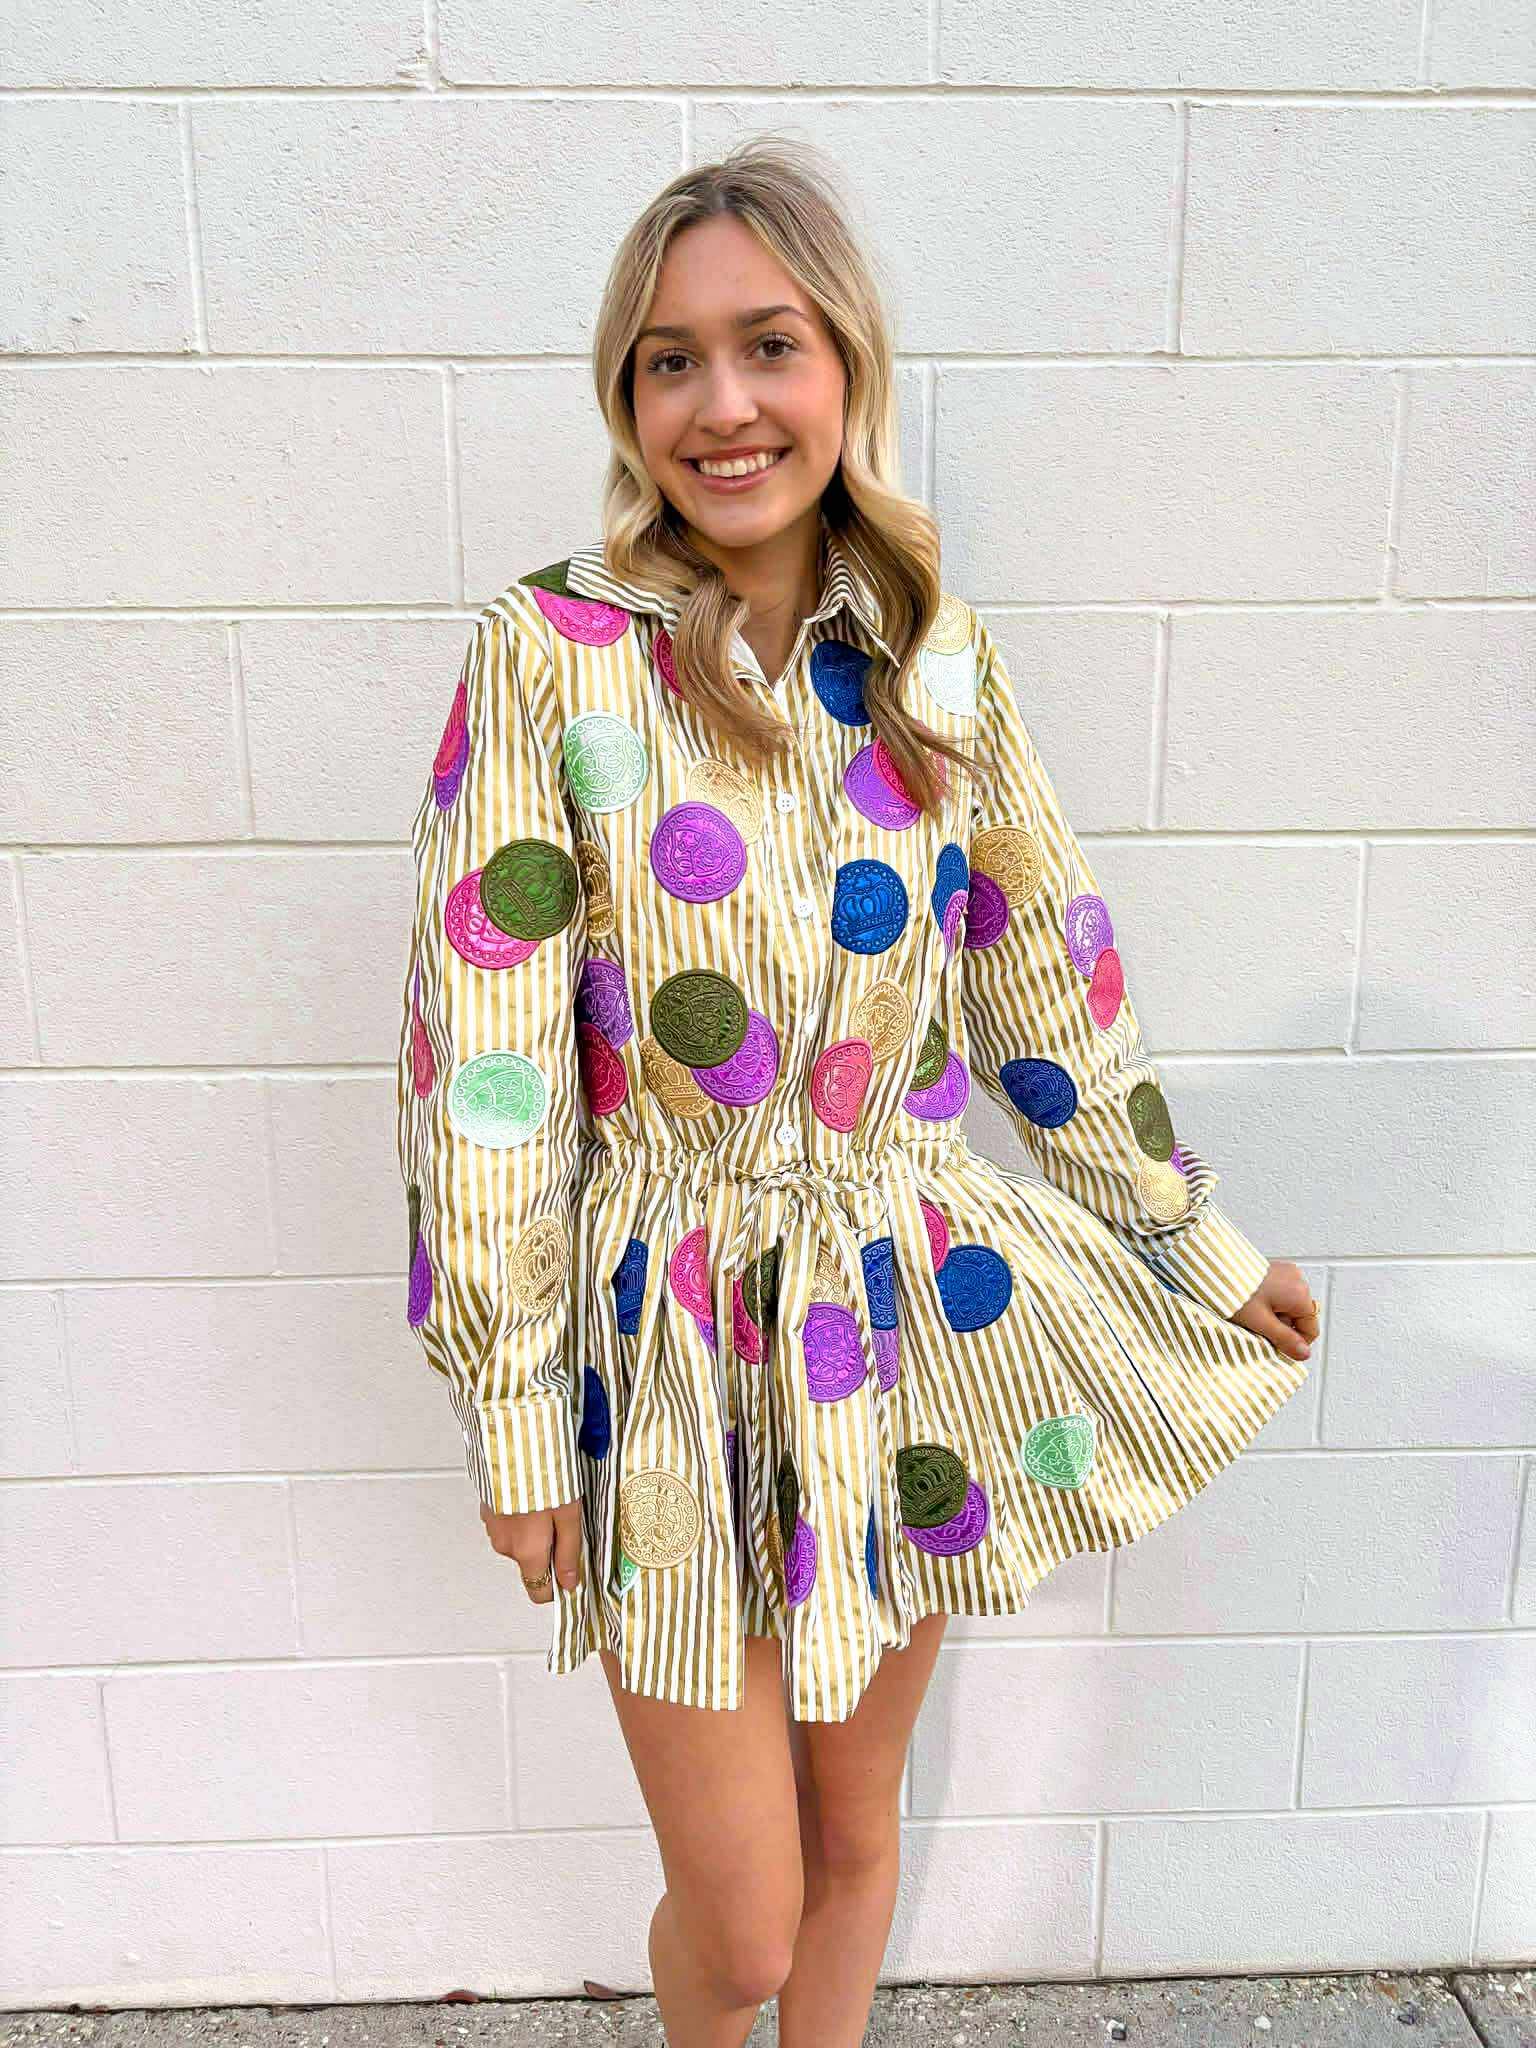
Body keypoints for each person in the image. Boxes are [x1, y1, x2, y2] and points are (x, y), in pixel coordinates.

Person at [394, 132, 1319, 2048]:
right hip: (662, 1335)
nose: (723, 405)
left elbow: (1045, 984)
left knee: (853, 1835)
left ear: (846, 367)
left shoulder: (933, 662)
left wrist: (1198, 1243)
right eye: (671, 360)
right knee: (739, 1926)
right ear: (626, 394)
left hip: (891, 1313)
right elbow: (485, 1070)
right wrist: (513, 1406)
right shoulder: (555, 654)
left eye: (770, 345)